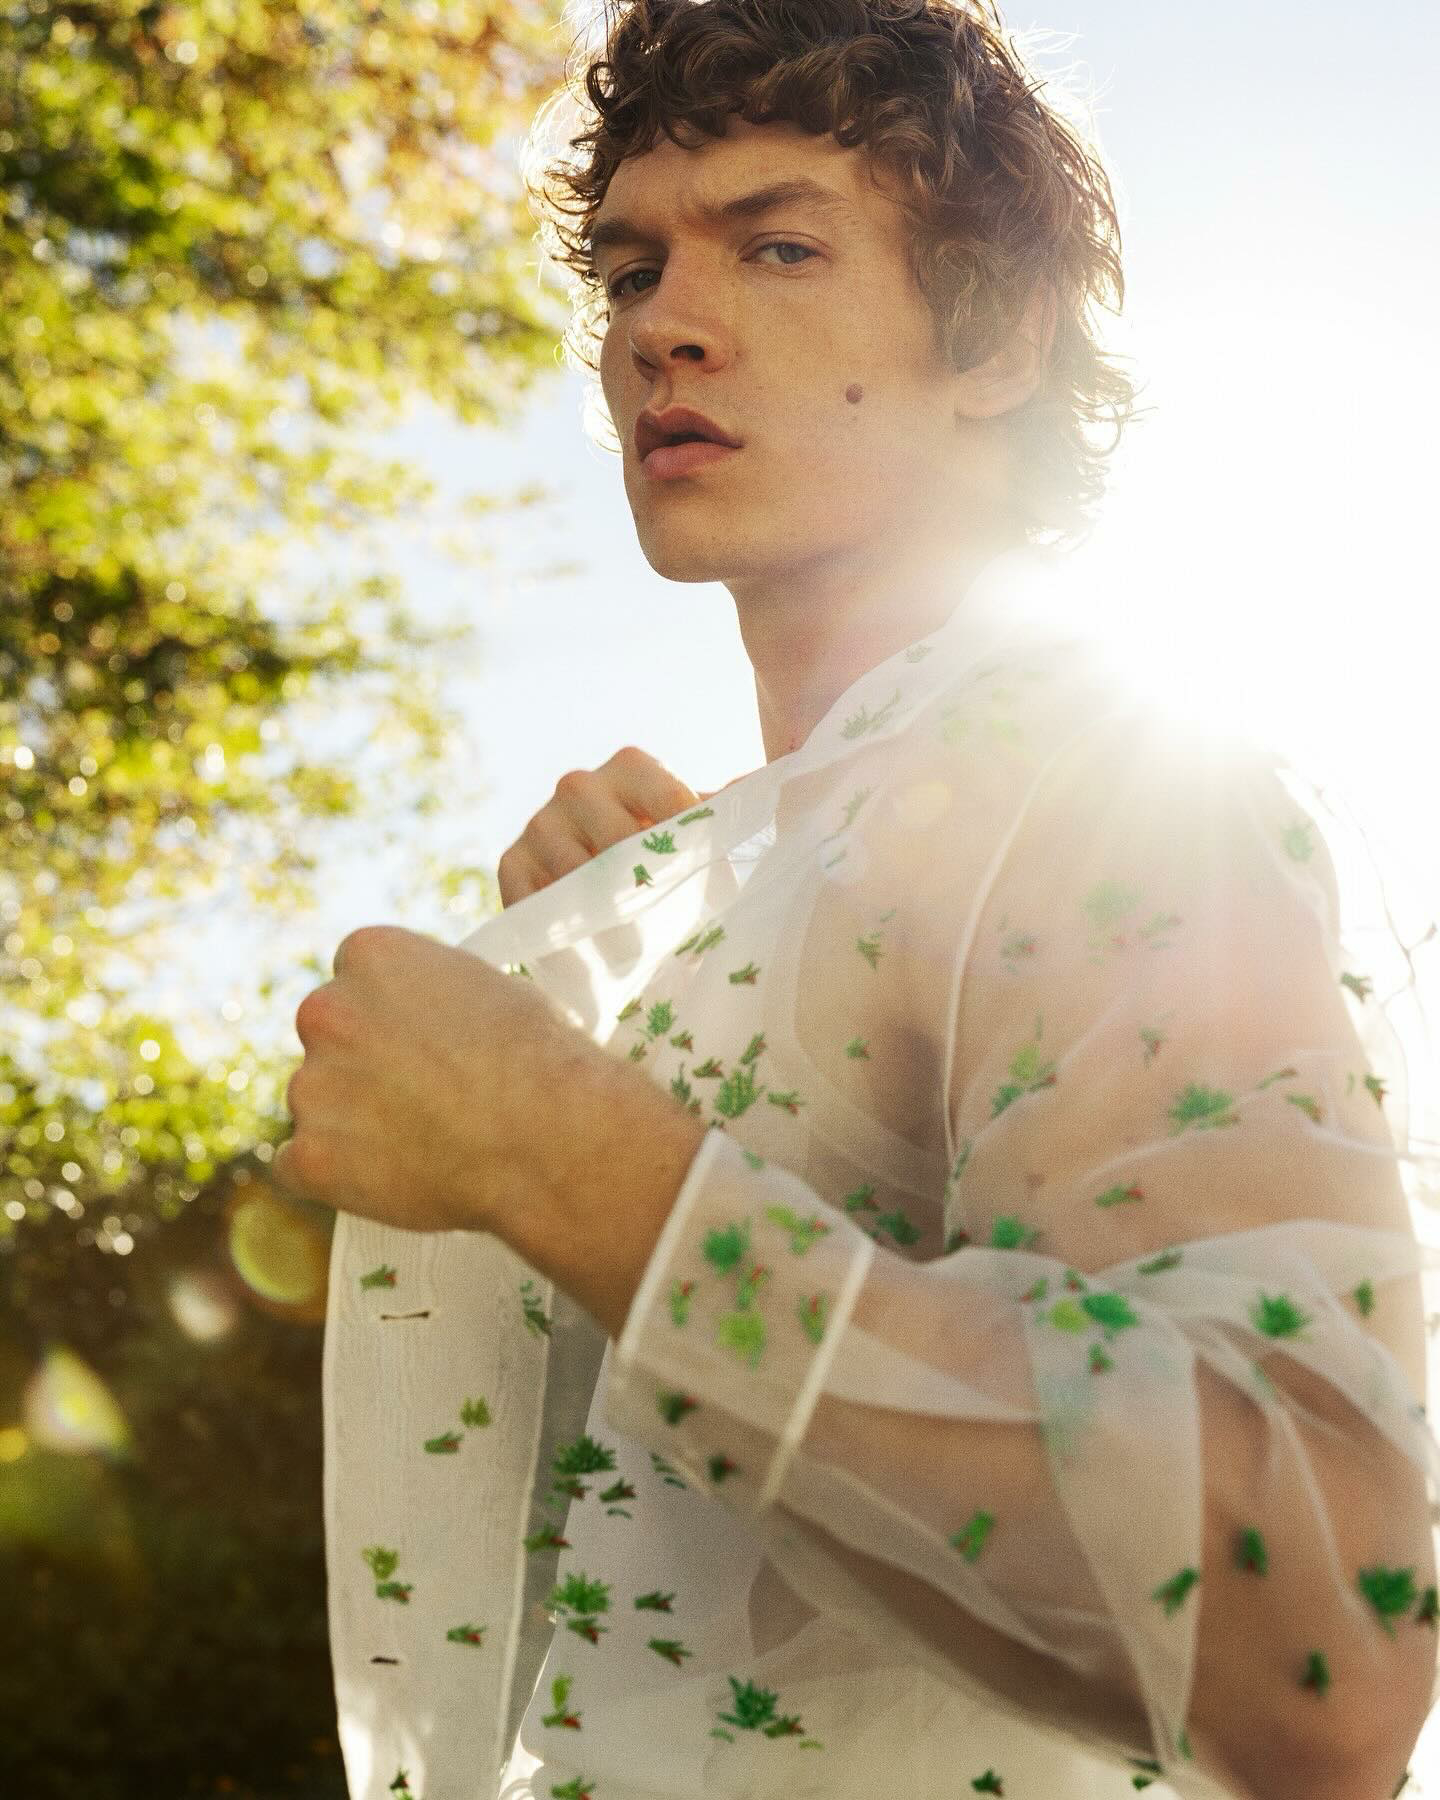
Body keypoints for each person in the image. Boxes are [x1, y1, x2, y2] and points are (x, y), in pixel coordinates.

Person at [288, 4, 1440, 1798]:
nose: (661, 324)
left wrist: (557, 1140)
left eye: (779, 246)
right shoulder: (724, 881)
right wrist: (653, 985)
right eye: (632, 268)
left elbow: (1327, 1645)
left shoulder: (1103, 776)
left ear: (997, 334)